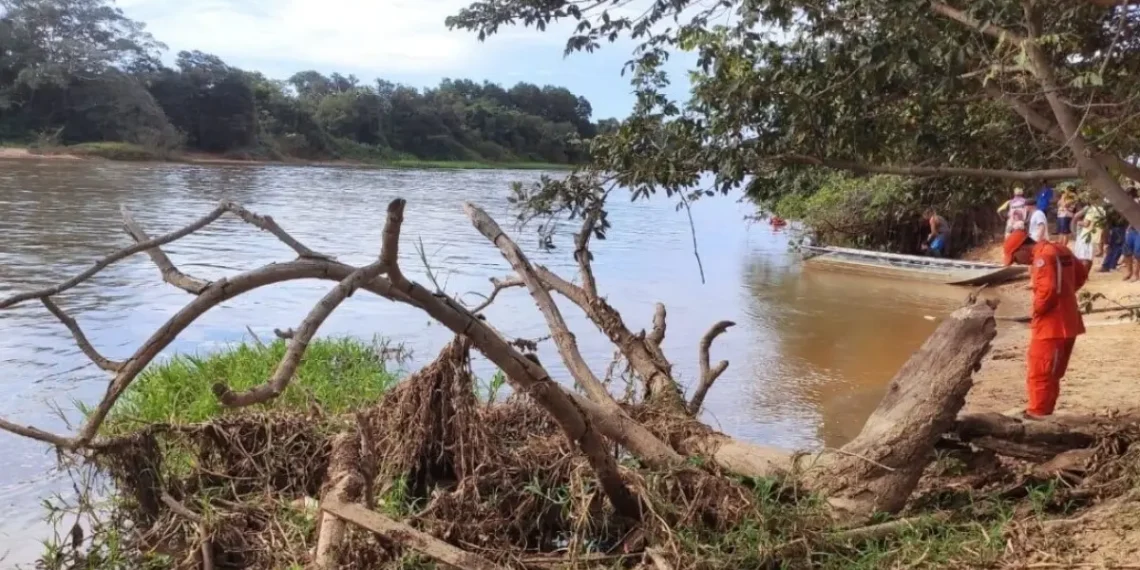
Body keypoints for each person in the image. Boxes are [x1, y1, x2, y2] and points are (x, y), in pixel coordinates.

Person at [1003, 229, 1088, 418]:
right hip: (1069, 320)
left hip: (1050, 325)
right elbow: (1081, 274)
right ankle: (1045, 409)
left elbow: (1047, 291)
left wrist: (1037, 311)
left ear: (1022, 248)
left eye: (1015, 258)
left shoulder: (1042, 257)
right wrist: (1065, 294)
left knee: (1039, 371)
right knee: (1053, 371)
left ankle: (1038, 412)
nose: (1018, 262)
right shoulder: (1061, 249)